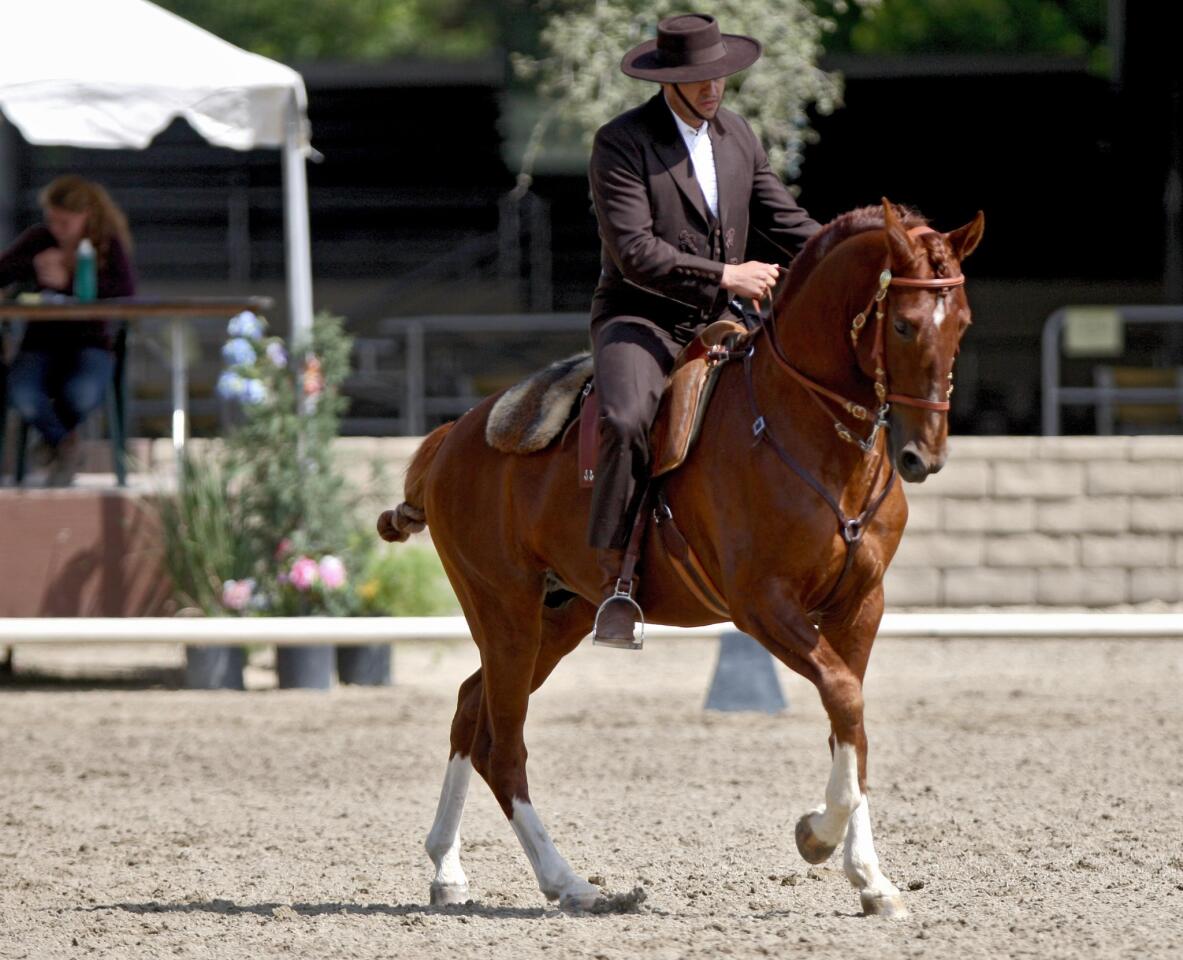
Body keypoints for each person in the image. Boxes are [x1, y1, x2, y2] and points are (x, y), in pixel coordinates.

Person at [587, 13, 821, 647]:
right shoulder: (621, 142)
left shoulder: (738, 136)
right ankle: (613, 578)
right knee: (628, 418)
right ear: (670, 82)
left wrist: (856, 250)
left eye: (721, 75)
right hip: (642, 318)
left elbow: (785, 219)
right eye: (701, 78)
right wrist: (727, 274)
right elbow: (634, 251)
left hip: (728, 322)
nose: (714, 87)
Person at [0, 175, 135, 485]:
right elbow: (3, 271)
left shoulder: (105, 244)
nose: (56, 229)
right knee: (22, 391)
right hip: (40, 342)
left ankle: (53, 441)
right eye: (52, 221)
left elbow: (125, 291)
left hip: (90, 343)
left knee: (81, 392)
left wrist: (69, 281)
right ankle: (64, 442)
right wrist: (34, 266)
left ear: (85, 215)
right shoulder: (39, 240)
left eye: (64, 222)